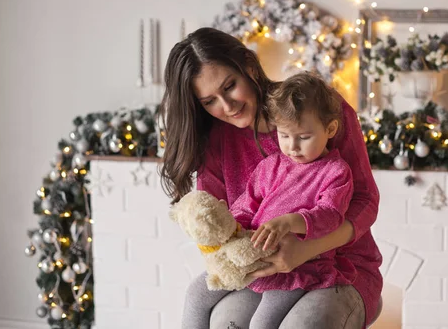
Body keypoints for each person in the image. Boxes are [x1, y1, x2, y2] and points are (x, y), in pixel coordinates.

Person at [160, 27, 382, 329]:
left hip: (339, 268)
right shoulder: (215, 140)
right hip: (260, 271)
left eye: (230, 86)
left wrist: (305, 249)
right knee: (226, 320)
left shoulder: (318, 109)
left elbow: (365, 201)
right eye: (209, 101)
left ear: (249, 66)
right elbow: (215, 224)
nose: (227, 107)